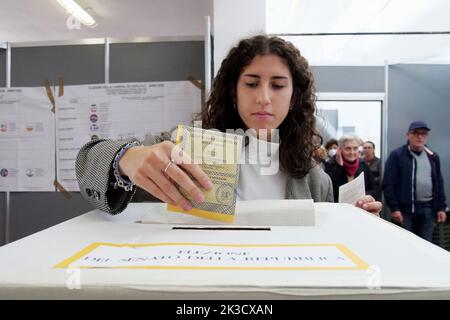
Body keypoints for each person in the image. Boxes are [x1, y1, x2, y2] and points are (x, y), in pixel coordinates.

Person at [75, 35, 381, 216]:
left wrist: (350, 223)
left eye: (277, 85)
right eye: (251, 84)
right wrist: (125, 160)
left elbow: (324, 246)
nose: (263, 98)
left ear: (294, 97)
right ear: (233, 93)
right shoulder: (188, 148)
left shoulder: (315, 179)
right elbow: (88, 160)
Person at [382, 121, 447, 242]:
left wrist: (441, 208)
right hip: (405, 211)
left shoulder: (432, 156)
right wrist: (394, 208)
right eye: (416, 133)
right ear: (408, 135)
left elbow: (439, 183)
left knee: (426, 245)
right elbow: (388, 184)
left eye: (423, 134)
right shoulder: (397, 155)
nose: (420, 136)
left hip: (428, 209)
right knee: (405, 244)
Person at [325, 134, 377, 203]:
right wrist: (339, 166)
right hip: (338, 208)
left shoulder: (363, 164)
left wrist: (363, 197)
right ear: (340, 150)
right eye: (348, 148)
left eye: (355, 148)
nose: (352, 152)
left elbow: (373, 188)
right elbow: (329, 189)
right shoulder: (331, 164)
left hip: (359, 207)